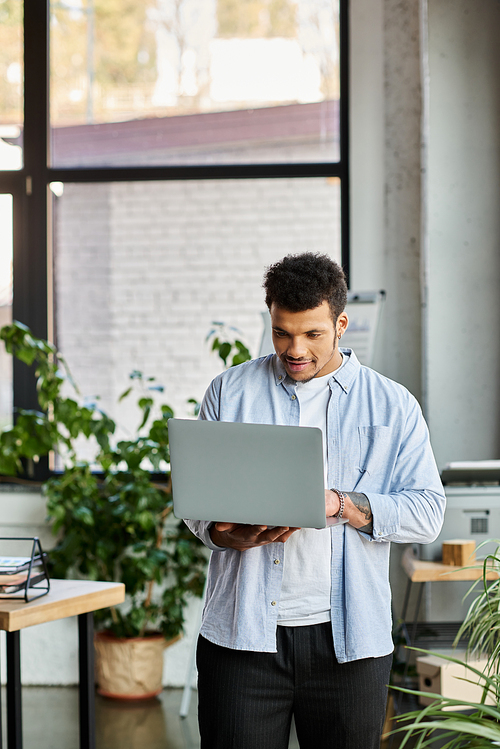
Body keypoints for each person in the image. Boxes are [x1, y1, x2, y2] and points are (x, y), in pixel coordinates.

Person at [184, 253, 445, 749]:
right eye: (282, 333)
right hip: (241, 639)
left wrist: (341, 504)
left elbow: (428, 512)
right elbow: (201, 506)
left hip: (350, 644)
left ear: (341, 324)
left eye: (312, 334)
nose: (295, 349)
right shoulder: (229, 392)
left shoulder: (393, 404)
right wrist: (223, 533)